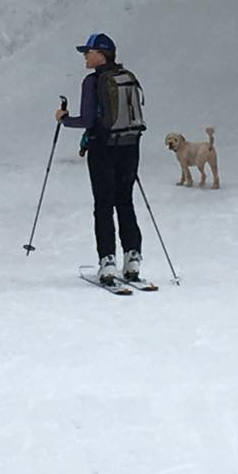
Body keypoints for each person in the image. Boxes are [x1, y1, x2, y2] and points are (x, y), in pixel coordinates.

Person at [55, 33, 142, 285]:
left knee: (103, 205)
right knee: (125, 201)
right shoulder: (128, 77)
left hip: (103, 149)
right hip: (129, 147)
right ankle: (133, 257)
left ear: (101, 55)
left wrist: (63, 119)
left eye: (88, 52)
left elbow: (87, 120)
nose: (85, 55)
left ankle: (107, 261)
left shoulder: (92, 82)